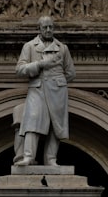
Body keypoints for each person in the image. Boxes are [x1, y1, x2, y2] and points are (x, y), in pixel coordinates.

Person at [15, 15, 76, 166]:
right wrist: (40, 64)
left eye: (51, 27)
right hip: (37, 88)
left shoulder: (62, 48)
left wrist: (56, 81)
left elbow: (70, 73)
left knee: (56, 125)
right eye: (45, 27)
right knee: (32, 120)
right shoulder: (29, 46)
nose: (48, 30)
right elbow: (20, 70)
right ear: (39, 29)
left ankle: (51, 159)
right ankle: (29, 157)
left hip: (57, 91)